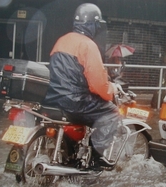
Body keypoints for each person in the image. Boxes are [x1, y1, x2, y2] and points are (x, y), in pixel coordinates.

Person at [42, 3, 121, 167]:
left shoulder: (61, 41)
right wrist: (111, 90)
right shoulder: (88, 45)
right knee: (112, 114)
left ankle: (71, 152)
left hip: (52, 99)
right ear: (93, 25)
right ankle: (96, 159)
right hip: (75, 102)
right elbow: (98, 85)